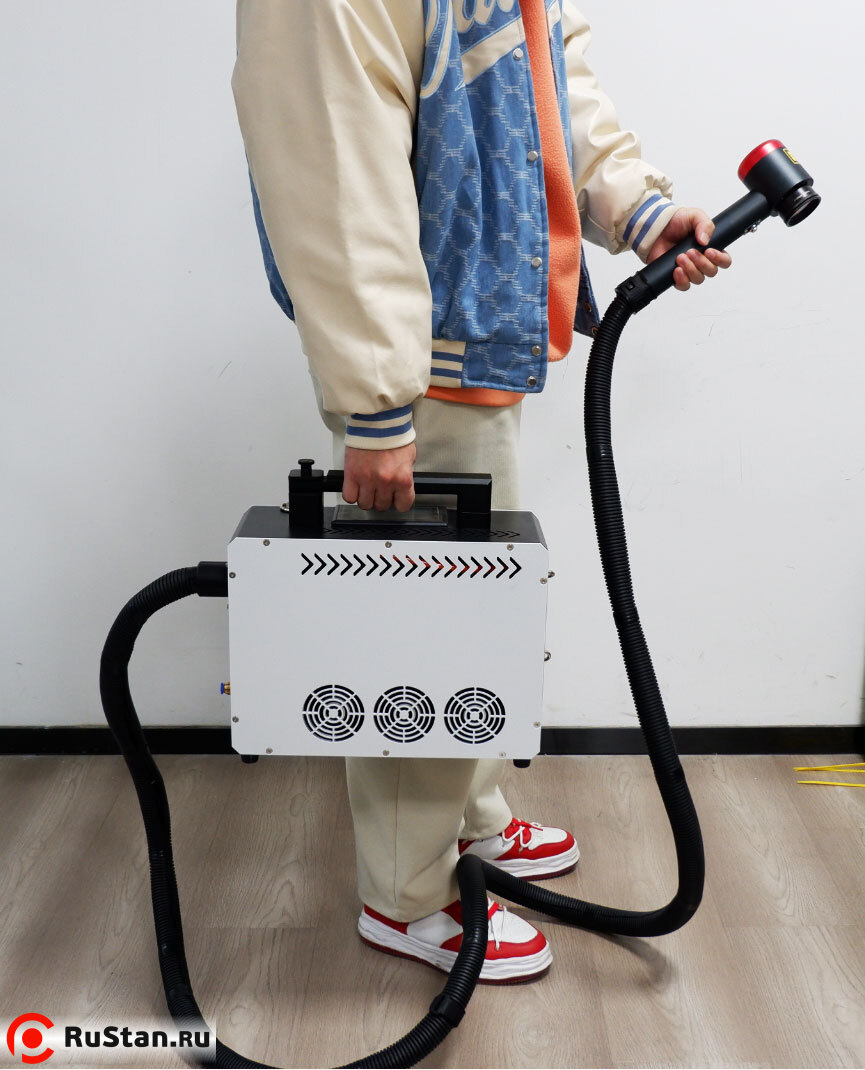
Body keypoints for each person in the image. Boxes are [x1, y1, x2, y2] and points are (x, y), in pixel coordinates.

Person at [232, 0, 731, 983]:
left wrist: (634, 206)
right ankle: (406, 893)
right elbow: (332, 166)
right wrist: (378, 401)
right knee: (421, 635)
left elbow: (544, 69)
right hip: (418, 360)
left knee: (474, 618)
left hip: (480, 331)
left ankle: (467, 819)